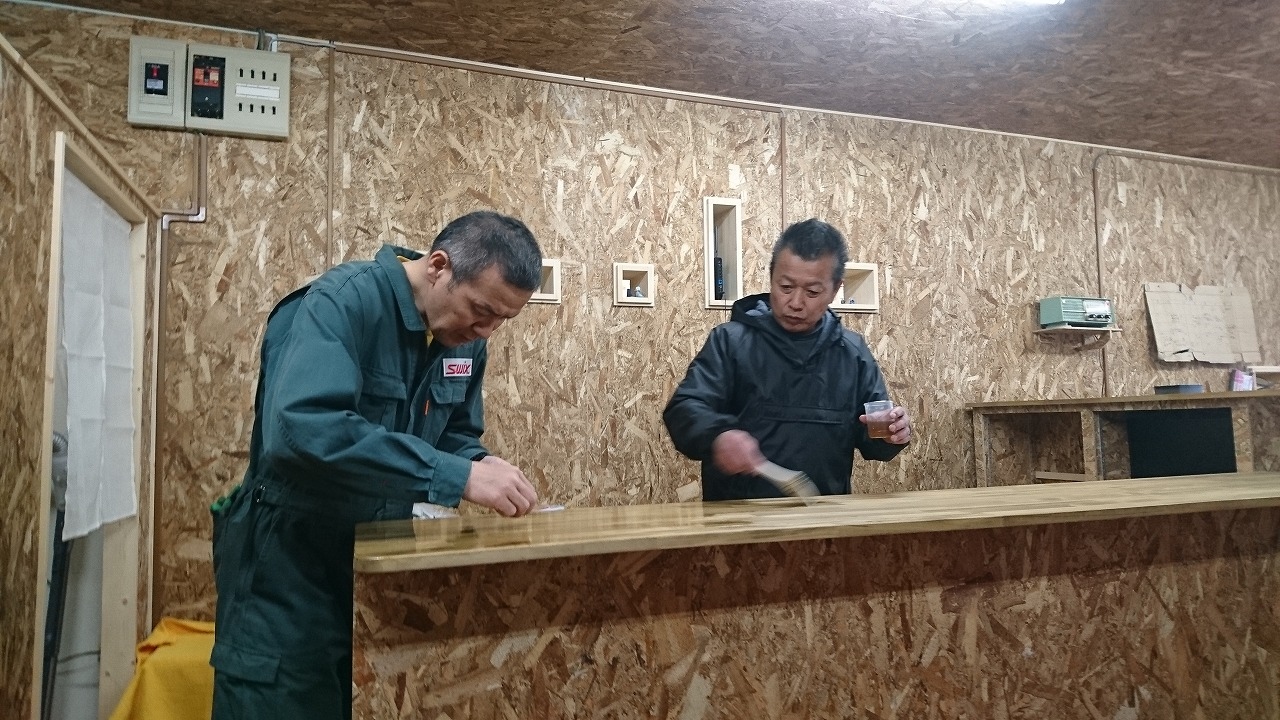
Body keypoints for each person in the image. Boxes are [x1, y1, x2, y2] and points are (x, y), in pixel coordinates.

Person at [209, 211, 543, 720]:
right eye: (480, 310)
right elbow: (302, 431)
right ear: (438, 267)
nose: (486, 330)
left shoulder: (464, 341)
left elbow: (453, 434)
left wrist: (481, 462)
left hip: (376, 568)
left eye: (503, 319)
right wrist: (456, 476)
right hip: (289, 573)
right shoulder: (341, 303)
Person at [663, 218, 912, 500]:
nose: (795, 303)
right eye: (785, 287)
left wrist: (892, 433)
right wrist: (718, 436)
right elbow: (684, 409)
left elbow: (875, 441)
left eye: (812, 292)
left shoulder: (852, 353)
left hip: (822, 517)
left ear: (835, 289)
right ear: (771, 278)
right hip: (739, 518)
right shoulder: (730, 342)